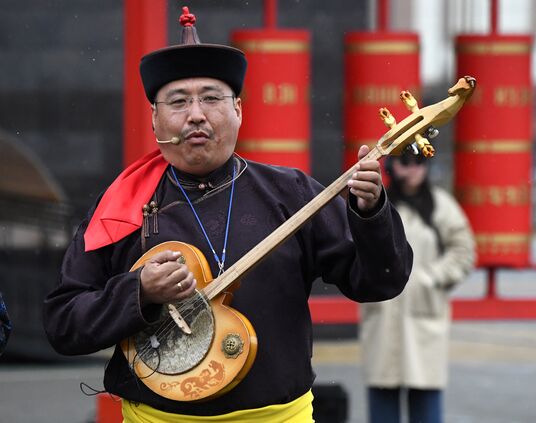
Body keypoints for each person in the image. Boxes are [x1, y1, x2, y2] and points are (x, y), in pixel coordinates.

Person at [43, 7, 412, 422]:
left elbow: (381, 282)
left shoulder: (290, 193)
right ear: (155, 118)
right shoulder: (121, 207)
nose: (196, 114)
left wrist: (370, 212)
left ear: (238, 109)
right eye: (179, 101)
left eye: (212, 98)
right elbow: (63, 325)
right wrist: (138, 292)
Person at [359, 150, 475, 423]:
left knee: (426, 406)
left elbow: (464, 252)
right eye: (405, 162)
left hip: (424, 322)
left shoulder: (441, 206)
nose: (413, 170)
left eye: (419, 162)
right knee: (382, 403)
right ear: (391, 166)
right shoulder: (378, 205)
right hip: (383, 317)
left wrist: (431, 278)